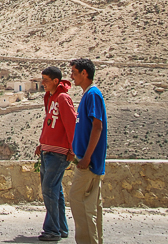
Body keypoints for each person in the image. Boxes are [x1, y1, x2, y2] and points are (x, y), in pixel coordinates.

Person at [35, 66, 76, 241]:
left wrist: (73, 150)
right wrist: (41, 144)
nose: (42, 83)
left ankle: (52, 230)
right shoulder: (51, 98)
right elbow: (51, 123)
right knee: (56, 190)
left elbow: (72, 124)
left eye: (46, 80)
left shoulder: (63, 98)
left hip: (58, 154)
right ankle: (61, 228)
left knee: (48, 189)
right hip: (48, 151)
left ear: (55, 81)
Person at [69, 58, 107, 244]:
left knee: (79, 203)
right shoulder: (89, 94)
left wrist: (86, 158)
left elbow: (97, 127)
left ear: (85, 73)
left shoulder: (92, 94)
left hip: (87, 163)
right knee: (92, 207)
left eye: (74, 72)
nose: (71, 76)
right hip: (89, 161)